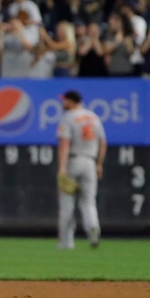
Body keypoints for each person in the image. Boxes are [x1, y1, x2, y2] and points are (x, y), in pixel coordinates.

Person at [56, 90, 107, 250]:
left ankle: (66, 242)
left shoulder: (68, 117)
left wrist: (62, 167)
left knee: (67, 204)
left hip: (73, 160)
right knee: (88, 202)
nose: (63, 103)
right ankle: (92, 226)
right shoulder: (94, 117)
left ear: (71, 101)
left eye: (64, 100)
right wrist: (99, 164)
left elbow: (64, 144)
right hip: (90, 162)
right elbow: (103, 143)